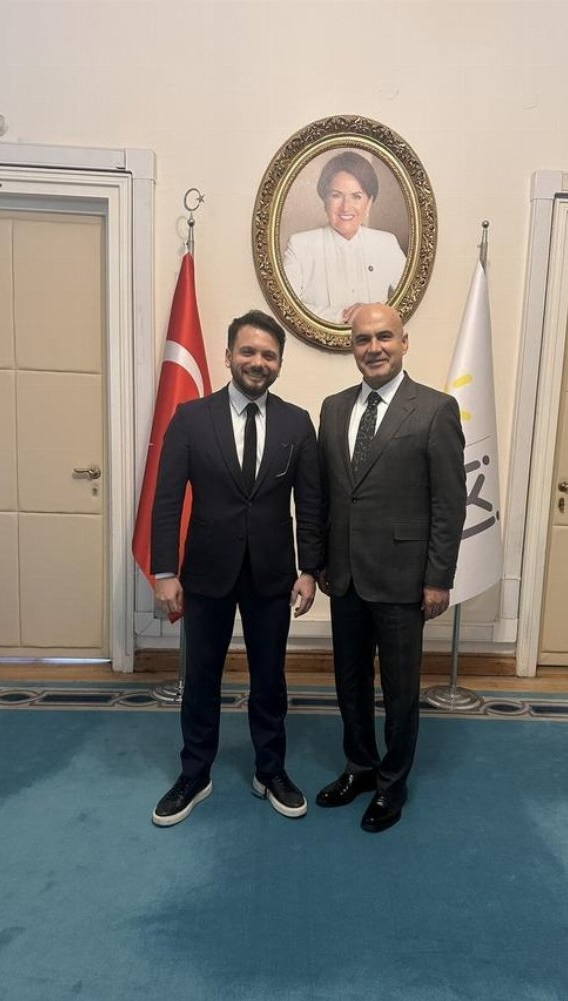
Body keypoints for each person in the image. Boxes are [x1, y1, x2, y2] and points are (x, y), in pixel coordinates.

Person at [150, 309, 323, 826]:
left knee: (269, 678)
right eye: (248, 351)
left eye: (268, 354)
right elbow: (166, 500)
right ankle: (194, 774)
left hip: (272, 573)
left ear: (279, 364)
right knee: (201, 676)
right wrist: (164, 571)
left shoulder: (297, 422)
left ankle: (271, 770)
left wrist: (309, 569)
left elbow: (310, 504)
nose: (257, 361)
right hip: (206, 572)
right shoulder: (190, 418)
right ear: (228, 356)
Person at [316, 303, 466, 833]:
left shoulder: (436, 409)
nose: (373, 347)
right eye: (362, 339)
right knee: (350, 681)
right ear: (351, 347)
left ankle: (391, 784)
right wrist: (318, 561)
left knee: (400, 692)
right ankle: (359, 767)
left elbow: (449, 503)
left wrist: (438, 578)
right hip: (345, 576)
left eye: (384, 337)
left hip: (404, 578)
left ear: (404, 343)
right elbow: (327, 494)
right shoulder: (333, 408)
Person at [283, 151, 407, 325]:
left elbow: (409, 300)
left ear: (369, 203)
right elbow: (286, 308)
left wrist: (371, 313)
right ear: (324, 200)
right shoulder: (300, 245)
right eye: (336, 195)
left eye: (356, 196)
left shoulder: (386, 244)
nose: (346, 207)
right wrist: (342, 316)